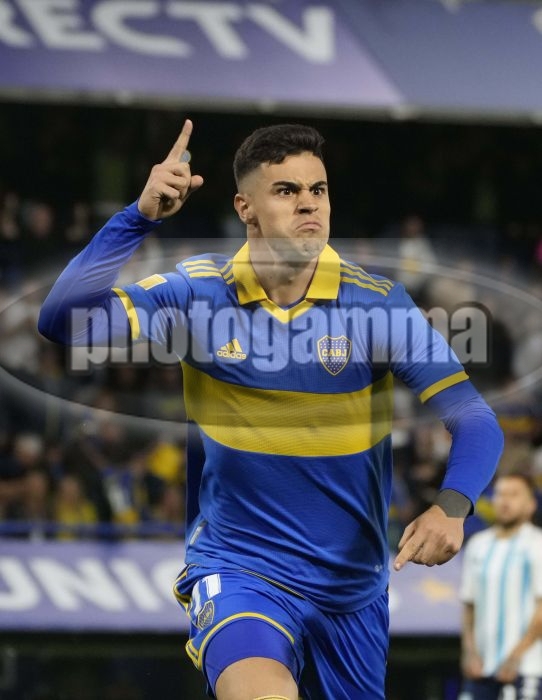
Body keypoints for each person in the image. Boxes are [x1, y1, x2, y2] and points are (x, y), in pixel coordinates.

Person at [39, 120, 504, 700]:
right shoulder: (197, 295)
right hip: (240, 569)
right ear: (246, 208)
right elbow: (63, 323)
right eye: (286, 190)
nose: (309, 204)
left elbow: (475, 420)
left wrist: (452, 507)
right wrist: (138, 217)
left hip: (352, 591)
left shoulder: (378, 306)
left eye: (318, 189)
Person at [460, 473, 542, 700]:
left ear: (531, 504)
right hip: (481, 668)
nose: (505, 501)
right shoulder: (477, 545)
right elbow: (469, 604)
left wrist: (516, 656)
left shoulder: (538, 544)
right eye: (500, 494)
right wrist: (469, 652)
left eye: (514, 495)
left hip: (527, 668)